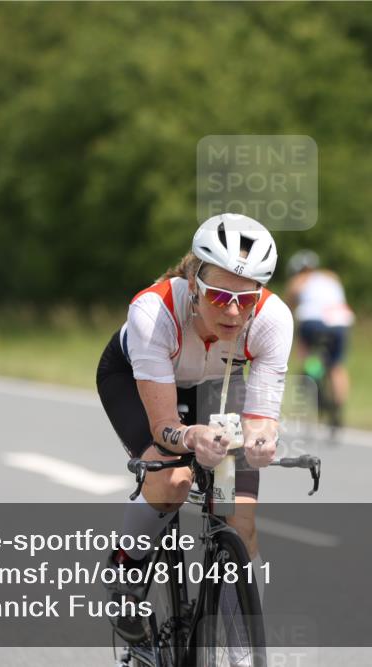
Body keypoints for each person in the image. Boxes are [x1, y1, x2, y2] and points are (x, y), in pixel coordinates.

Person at [96, 213, 293, 644]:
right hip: (134, 377)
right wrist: (190, 437)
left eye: (247, 299)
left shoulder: (273, 319)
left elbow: (261, 419)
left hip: (214, 386)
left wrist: (262, 441)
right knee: (173, 478)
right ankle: (125, 572)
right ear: (194, 282)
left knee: (239, 519)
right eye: (220, 297)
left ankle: (243, 653)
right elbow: (166, 425)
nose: (235, 311)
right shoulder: (154, 309)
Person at [284, 249, 354, 428]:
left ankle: (310, 372)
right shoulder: (331, 277)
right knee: (337, 366)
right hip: (340, 321)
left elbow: (287, 311)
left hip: (313, 322)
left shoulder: (298, 281)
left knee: (305, 352)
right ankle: (338, 408)